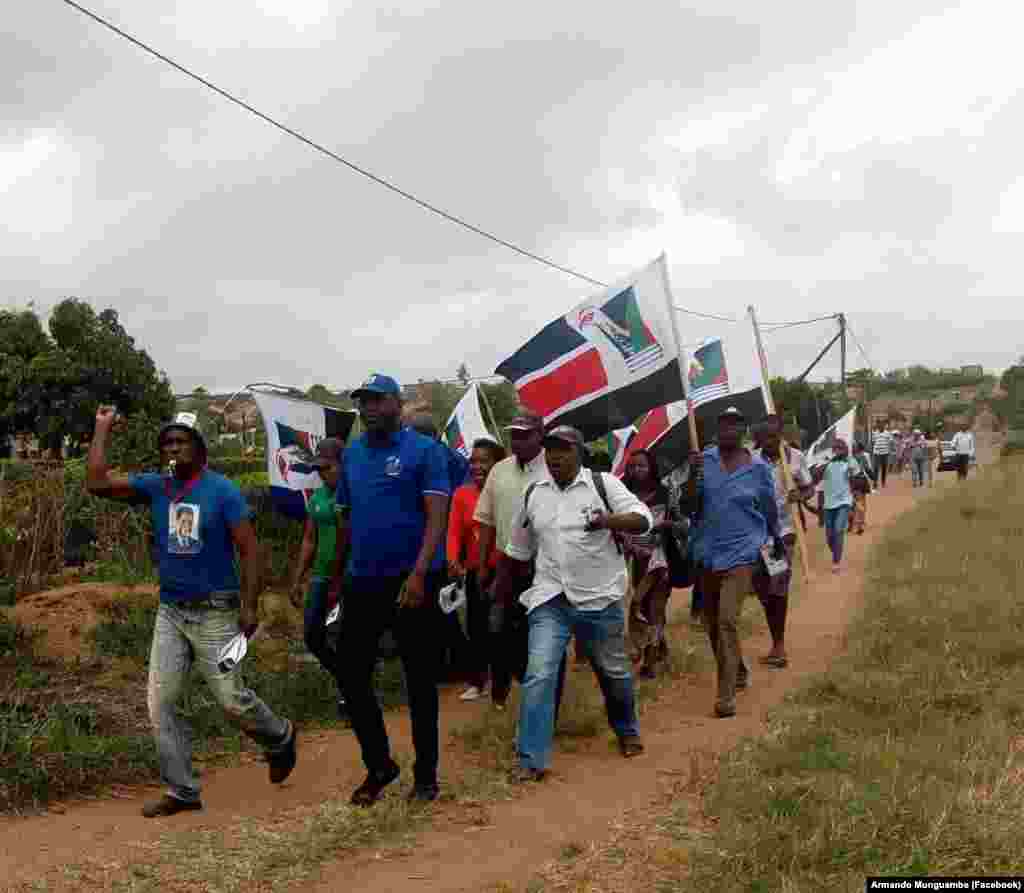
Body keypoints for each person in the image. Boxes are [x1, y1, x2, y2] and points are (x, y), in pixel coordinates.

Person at [86, 408, 297, 818]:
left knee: (231, 699)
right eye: (167, 442)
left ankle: (280, 735)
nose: (173, 447)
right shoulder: (157, 486)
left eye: (182, 440)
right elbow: (97, 483)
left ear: (200, 449)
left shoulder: (223, 491)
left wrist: (249, 605)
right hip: (171, 613)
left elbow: (250, 551)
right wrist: (101, 429)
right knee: (159, 703)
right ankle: (182, 790)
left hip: (216, 613)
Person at [497, 425, 651, 781]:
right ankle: (531, 758)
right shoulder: (534, 493)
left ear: (578, 452)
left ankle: (626, 729)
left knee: (613, 672)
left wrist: (607, 521)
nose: (555, 456)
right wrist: (500, 596)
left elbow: (642, 519)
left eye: (563, 449)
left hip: (599, 598)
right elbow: (518, 551)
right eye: (550, 449)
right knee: (539, 673)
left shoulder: (603, 485)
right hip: (550, 598)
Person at [334, 374, 450, 805]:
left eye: (375, 401)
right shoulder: (352, 456)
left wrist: (420, 573)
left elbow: (437, 518)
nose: (366, 409)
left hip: (413, 581)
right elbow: (346, 520)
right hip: (362, 580)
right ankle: (380, 765)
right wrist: (333, 578)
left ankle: (426, 776)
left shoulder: (425, 451)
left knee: (419, 680)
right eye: (362, 402)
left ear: (396, 405)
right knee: (350, 674)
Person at [687, 407, 783, 719]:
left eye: (734, 425)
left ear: (743, 430)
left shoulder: (757, 468)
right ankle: (738, 669)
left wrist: (776, 538)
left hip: (743, 554)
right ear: (716, 430)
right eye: (722, 424)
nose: (727, 430)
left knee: (728, 620)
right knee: (713, 624)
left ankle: (725, 693)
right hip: (707, 553)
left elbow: (769, 507)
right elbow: (690, 506)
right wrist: (692, 475)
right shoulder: (704, 460)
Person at [475, 412, 566, 712]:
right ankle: (501, 691)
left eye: (525, 435)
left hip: (546, 570)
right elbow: (485, 519)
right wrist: (483, 563)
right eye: (514, 435)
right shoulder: (499, 471)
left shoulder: (555, 468)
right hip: (505, 567)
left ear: (540, 435)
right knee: (499, 631)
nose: (518, 440)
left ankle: (546, 699)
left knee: (544, 633)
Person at [407, 411, 470, 680]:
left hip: (440, 540)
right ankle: (453, 662)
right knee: (444, 604)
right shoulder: (453, 458)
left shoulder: (434, 458)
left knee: (440, 605)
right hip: (448, 539)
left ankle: (453, 664)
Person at [289, 437, 346, 717]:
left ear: (342, 465)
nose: (323, 474)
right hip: (321, 577)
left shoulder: (351, 496)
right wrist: (298, 578)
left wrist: (339, 583)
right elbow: (309, 539)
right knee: (313, 636)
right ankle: (348, 678)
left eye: (328, 467)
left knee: (341, 635)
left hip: (347, 578)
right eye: (319, 469)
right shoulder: (318, 497)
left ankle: (350, 693)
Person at [447, 437, 506, 701]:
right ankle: (478, 681)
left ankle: (504, 678)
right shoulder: (462, 495)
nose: (477, 466)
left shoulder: (505, 492)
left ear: (498, 463)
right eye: (474, 460)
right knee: (476, 626)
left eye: (484, 461)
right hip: (474, 572)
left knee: (502, 627)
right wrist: (453, 560)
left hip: (505, 571)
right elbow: (454, 533)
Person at [752, 416, 813, 669]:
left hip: (783, 533)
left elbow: (808, 488)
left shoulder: (795, 458)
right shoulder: (751, 460)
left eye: (773, 437)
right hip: (755, 534)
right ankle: (776, 639)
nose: (769, 442)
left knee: (777, 586)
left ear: (780, 435)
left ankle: (779, 646)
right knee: (763, 590)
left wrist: (800, 494)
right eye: (764, 437)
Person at [621, 449, 674, 678]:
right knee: (639, 606)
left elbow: (679, 524)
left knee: (655, 608)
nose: (637, 470)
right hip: (637, 561)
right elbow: (621, 529)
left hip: (661, 561)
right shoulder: (623, 496)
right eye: (632, 466)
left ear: (651, 467)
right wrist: (632, 547)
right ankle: (659, 645)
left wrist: (666, 528)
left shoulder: (665, 493)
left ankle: (650, 661)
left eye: (641, 465)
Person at [815, 437, 865, 573]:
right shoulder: (827, 463)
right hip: (828, 503)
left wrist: (853, 477)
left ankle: (836, 561)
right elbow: (816, 476)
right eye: (835, 448)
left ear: (845, 449)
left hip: (844, 501)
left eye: (840, 448)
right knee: (829, 536)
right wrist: (826, 464)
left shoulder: (850, 461)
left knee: (838, 530)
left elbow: (859, 480)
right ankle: (836, 551)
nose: (837, 451)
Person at [850, 442, 873, 534]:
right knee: (861, 501)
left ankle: (857, 522)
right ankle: (861, 521)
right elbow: (867, 468)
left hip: (854, 482)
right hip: (861, 480)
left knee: (856, 502)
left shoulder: (849, 458)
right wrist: (873, 478)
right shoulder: (862, 457)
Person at [871, 421, 893, 488]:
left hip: (885, 453)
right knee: (876, 468)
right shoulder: (875, 433)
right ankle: (875, 482)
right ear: (878, 426)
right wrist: (873, 451)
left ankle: (883, 482)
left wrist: (889, 450)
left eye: (882, 426)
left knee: (884, 467)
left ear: (884, 426)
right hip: (876, 453)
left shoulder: (888, 433)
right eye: (879, 425)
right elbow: (873, 442)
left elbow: (891, 442)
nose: (881, 427)